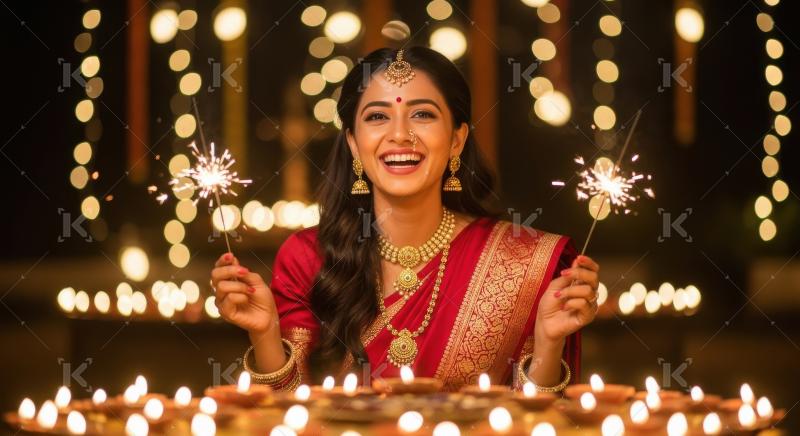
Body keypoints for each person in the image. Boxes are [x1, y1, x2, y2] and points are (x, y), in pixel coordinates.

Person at [210, 46, 600, 392]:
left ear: (457, 140)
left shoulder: (526, 262)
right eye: (378, 116)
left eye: (422, 115)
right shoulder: (308, 258)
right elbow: (292, 416)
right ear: (353, 143)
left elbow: (537, 421)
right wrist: (265, 334)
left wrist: (549, 342)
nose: (400, 134)